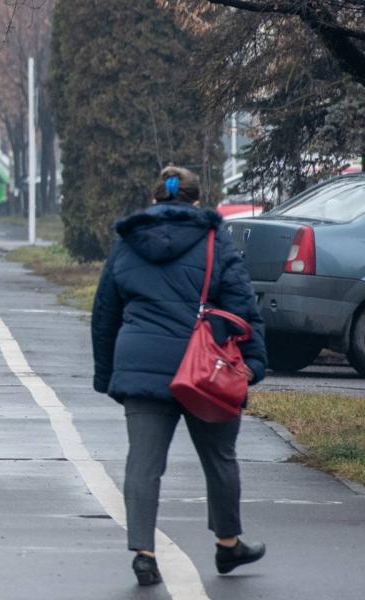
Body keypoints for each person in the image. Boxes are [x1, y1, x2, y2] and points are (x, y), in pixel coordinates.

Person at [90, 166, 268, 587]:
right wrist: (254, 364)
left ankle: (144, 553)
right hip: (205, 368)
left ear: (156, 199)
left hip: (141, 363)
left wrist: (107, 375)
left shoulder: (127, 242)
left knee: (143, 463)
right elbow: (243, 307)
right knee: (219, 458)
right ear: (194, 199)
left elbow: (104, 314)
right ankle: (228, 543)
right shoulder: (213, 241)